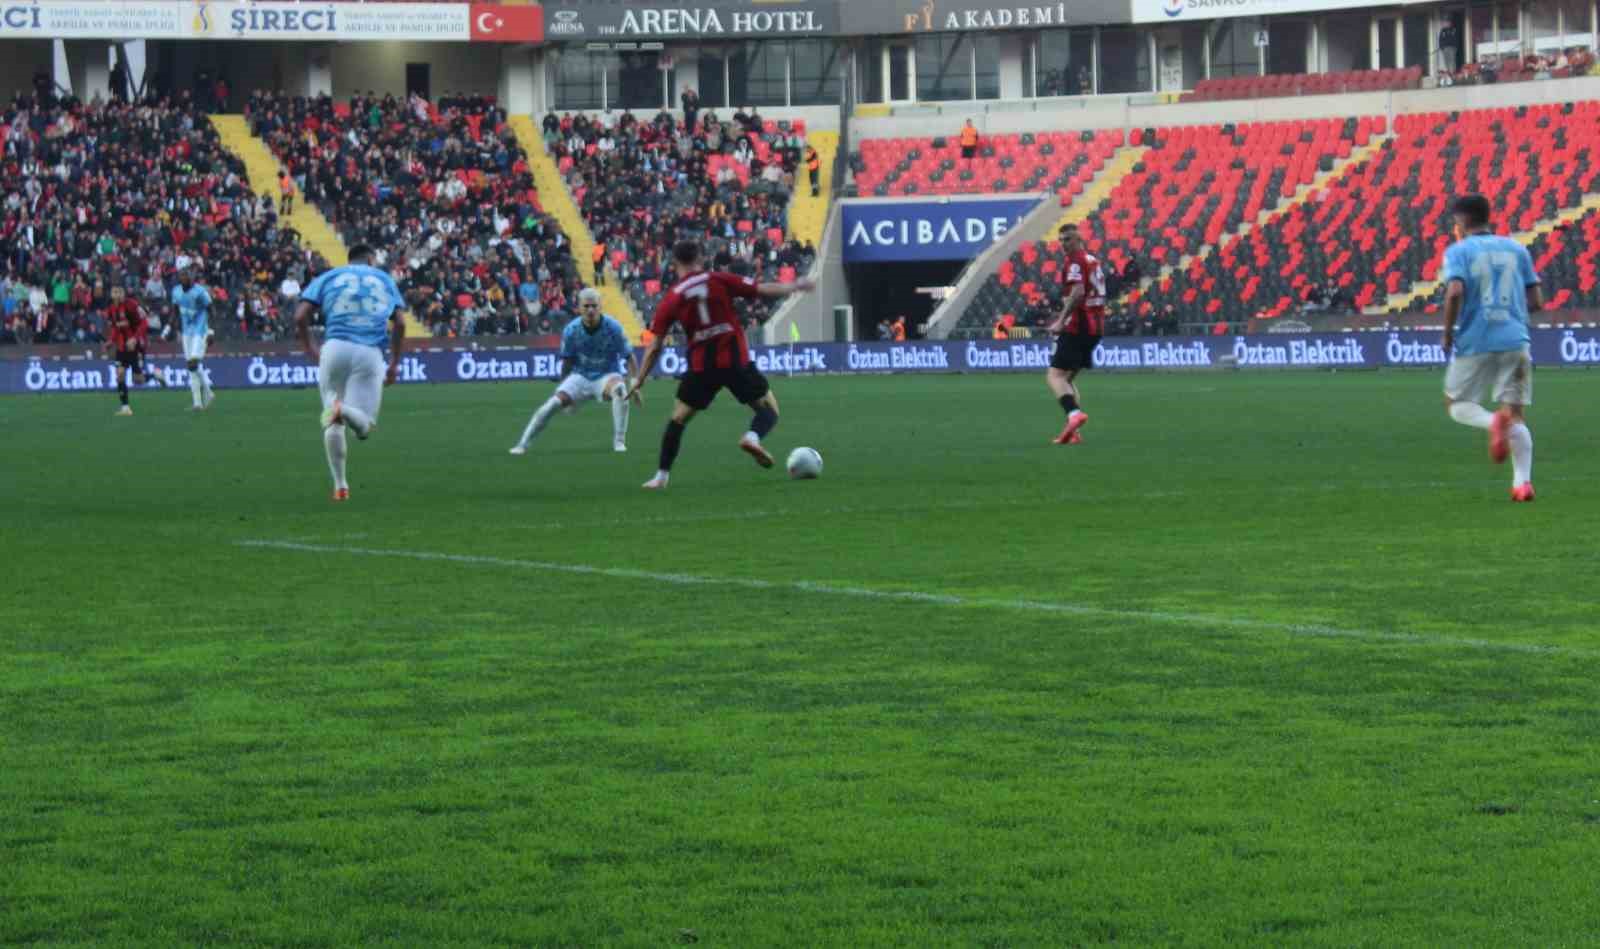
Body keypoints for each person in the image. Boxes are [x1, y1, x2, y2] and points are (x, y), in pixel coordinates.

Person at [626, 240, 815, 490]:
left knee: (679, 419)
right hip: (734, 358)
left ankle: (661, 476)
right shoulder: (718, 279)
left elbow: (655, 346)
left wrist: (639, 379)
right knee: (768, 410)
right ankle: (751, 437)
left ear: (674, 264)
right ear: (701, 259)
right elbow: (762, 290)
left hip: (701, 367)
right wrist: (795, 285)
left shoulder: (671, 298)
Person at [1439, 194, 1542, 502]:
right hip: (1515, 340)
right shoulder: (1517, 248)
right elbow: (1536, 301)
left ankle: (1491, 421)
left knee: (1456, 404)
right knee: (1516, 416)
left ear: (1459, 223)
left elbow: (1455, 290)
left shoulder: (1458, 251)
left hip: (1476, 341)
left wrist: (1447, 333)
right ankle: (1522, 484)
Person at [293, 245, 409, 502]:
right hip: (369, 352)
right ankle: (342, 409)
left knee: (331, 421)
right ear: (370, 259)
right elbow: (400, 323)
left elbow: (300, 315)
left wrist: (309, 347)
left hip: (334, 348)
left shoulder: (328, 277)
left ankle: (340, 485)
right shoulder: (383, 279)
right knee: (365, 426)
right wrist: (394, 364)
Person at [510, 288, 639, 456]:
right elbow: (567, 361)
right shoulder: (571, 330)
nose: (591, 310)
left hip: (607, 375)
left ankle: (619, 442)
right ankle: (522, 444)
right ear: (579, 307)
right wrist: (564, 388)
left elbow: (629, 356)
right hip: (581, 376)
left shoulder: (613, 327)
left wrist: (635, 384)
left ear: (600, 307)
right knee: (552, 405)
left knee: (620, 390)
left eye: (594, 306)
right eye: (586, 306)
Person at [1043, 223, 1105, 446]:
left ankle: (1074, 415)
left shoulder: (1075, 261)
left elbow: (1078, 292)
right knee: (1067, 380)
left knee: (1054, 376)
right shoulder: (1092, 260)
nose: (1063, 244)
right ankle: (1074, 431)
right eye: (1061, 240)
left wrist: (1060, 320)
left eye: (1068, 239)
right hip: (1095, 329)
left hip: (1078, 327)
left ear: (1079, 239)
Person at [104, 286, 167, 415]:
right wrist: (111, 340)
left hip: (136, 346)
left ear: (123, 293)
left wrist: (134, 339)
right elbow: (116, 328)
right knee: (120, 374)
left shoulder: (131, 305)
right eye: (114, 292)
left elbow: (144, 323)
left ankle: (155, 375)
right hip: (122, 347)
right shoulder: (111, 310)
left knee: (137, 380)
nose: (117, 295)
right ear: (111, 294)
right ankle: (125, 407)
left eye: (119, 292)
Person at [170, 268, 215, 411]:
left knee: (193, 362)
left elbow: (211, 310)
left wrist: (211, 331)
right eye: (181, 275)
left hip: (200, 331)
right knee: (191, 368)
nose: (184, 278)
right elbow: (175, 311)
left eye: (186, 275)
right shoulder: (176, 291)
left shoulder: (200, 292)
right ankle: (198, 402)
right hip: (186, 332)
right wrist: (170, 327)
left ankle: (207, 392)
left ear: (191, 277)